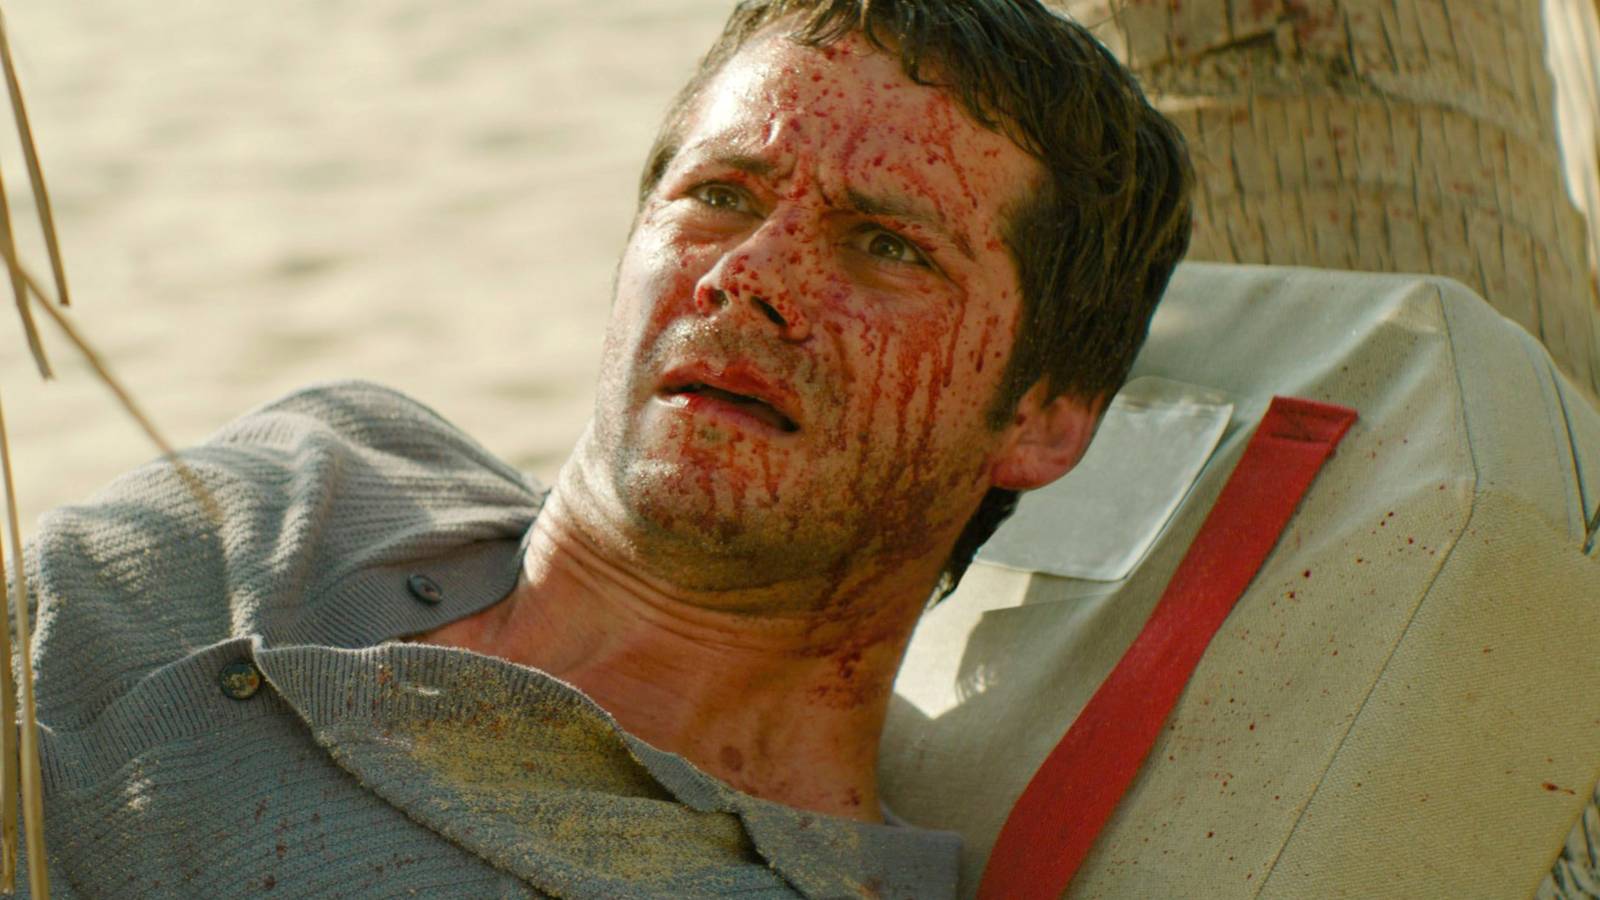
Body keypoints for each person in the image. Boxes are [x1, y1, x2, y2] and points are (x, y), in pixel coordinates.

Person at [24, 0, 1192, 896]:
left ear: (1045, 417)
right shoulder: (324, 465)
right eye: (722, 194)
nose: (750, 277)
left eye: (887, 246)